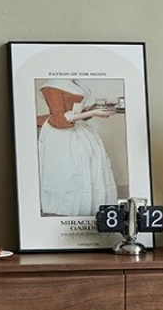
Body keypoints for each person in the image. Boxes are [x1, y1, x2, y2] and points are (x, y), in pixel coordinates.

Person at [36, 78, 118, 216]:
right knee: (70, 171)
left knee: (89, 167)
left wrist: (95, 109)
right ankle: (66, 209)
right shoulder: (51, 86)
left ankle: (90, 205)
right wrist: (94, 113)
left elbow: (76, 114)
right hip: (60, 135)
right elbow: (59, 119)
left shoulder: (76, 83)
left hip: (80, 131)